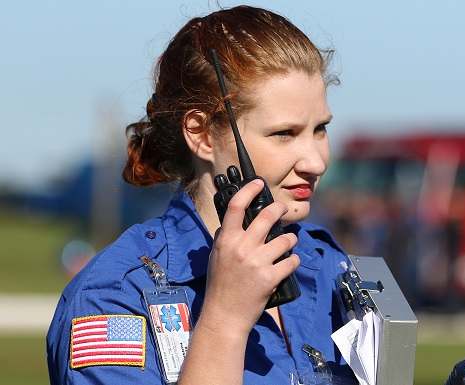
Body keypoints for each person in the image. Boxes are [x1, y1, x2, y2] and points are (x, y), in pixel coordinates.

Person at [46, 5, 357, 384]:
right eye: (284, 134)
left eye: (320, 129)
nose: (316, 161)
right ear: (201, 133)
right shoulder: (115, 297)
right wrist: (225, 319)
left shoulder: (326, 266)